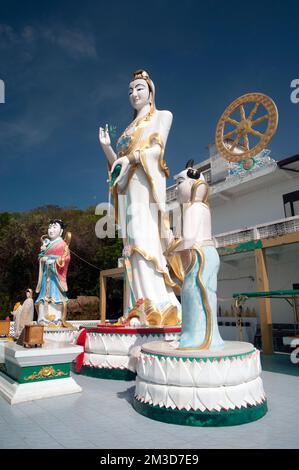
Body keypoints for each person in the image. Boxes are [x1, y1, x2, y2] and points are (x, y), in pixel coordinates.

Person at [99, 70, 181, 325]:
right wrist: (108, 148)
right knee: (130, 245)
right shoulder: (127, 131)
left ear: (151, 92)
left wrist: (131, 157)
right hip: (127, 189)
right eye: (131, 90)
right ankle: (137, 304)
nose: (134, 94)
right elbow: (117, 168)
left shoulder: (162, 116)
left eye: (139, 89)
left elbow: (156, 151)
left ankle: (158, 303)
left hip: (145, 185)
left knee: (145, 239)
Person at [35, 219, 71, 327]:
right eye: (50, 227)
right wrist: (42, 259)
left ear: (61, 232)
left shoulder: (62, 244)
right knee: (43, 297)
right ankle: (42, 320)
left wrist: (55, 261)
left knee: (55, 297)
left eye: (54, 227)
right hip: (46, 274)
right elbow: (40, 257)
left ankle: (56, 320)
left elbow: (67, 258)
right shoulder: (46, 244)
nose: (51, 230)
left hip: (56, 276)